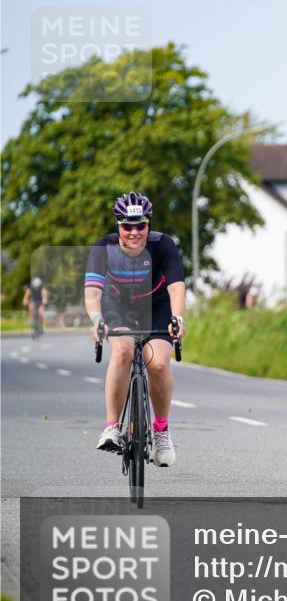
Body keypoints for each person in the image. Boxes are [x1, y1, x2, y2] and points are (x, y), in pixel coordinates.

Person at [83, 192, 186, 466]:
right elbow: (93, 293)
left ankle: (161, 431)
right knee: (123, 351)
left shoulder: (163, 244)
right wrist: (97, 320)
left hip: (156, 305)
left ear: (148, 224)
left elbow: (176, 286)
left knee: (159, 364)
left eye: (140, 225)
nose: (134, 232)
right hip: (117, 304)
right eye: (127, 226)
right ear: (118, 225)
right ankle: (112, 427)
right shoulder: (103, 247)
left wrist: (178, 318)